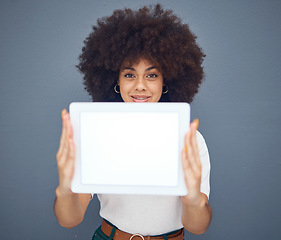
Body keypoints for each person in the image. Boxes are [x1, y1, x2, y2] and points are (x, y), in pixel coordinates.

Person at [54, 4, 212, 239]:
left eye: (151, 75)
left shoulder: (189, 140)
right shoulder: (97, 135)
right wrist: (65, 189)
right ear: (114, 81)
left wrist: (193, 198)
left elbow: (198, 227)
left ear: (165, 81)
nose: (140, 85)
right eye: (129, 74)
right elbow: (69, 220)